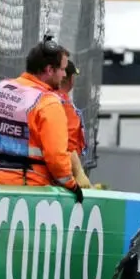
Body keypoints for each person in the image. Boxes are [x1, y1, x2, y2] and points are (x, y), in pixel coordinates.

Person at [0, 36, 82, 201]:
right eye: (62, 69)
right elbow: (56, 158)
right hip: (29, 190)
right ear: (50, 70)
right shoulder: (48, 103)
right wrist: (72, 184)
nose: (64, 74)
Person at [54, 46, 93, 189]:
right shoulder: (64, 104)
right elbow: (68, 144)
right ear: (70, 79)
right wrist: (79, 174)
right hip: (65, 173)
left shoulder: (45, 97)